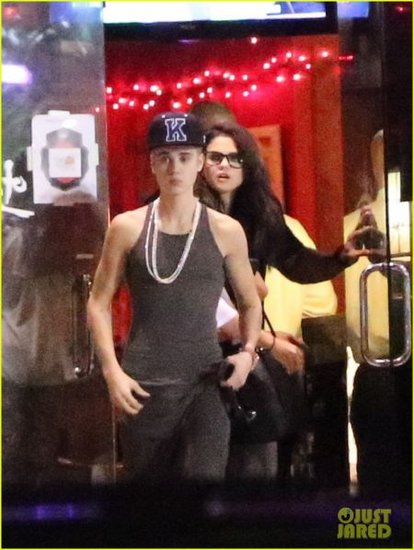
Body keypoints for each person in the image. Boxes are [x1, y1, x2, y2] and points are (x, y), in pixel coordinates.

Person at [197, 120, 378, 481]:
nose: (225, 166)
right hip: (201, 353)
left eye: (235, 158)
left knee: (259, 458)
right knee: (214, 465)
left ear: (248, 165)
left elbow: (295, 262)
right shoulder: (192, 217)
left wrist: (340, 257)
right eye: (215, 157)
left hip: (245, 347)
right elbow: (209, 305)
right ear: (201, 162)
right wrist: (268, 340)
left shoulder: (258, 214)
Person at [87, 112, 262, 482]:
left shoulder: (226, 230)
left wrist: (248, 354)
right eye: (164, 157)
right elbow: (98, 303)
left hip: (204, 383)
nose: (174, 167)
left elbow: (250, 301)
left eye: (184, 157)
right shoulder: (126, 227)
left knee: (204, 487)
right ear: (152, 163)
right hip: (142, 385)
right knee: (150, 501)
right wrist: (111, 371)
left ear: (200, 162)